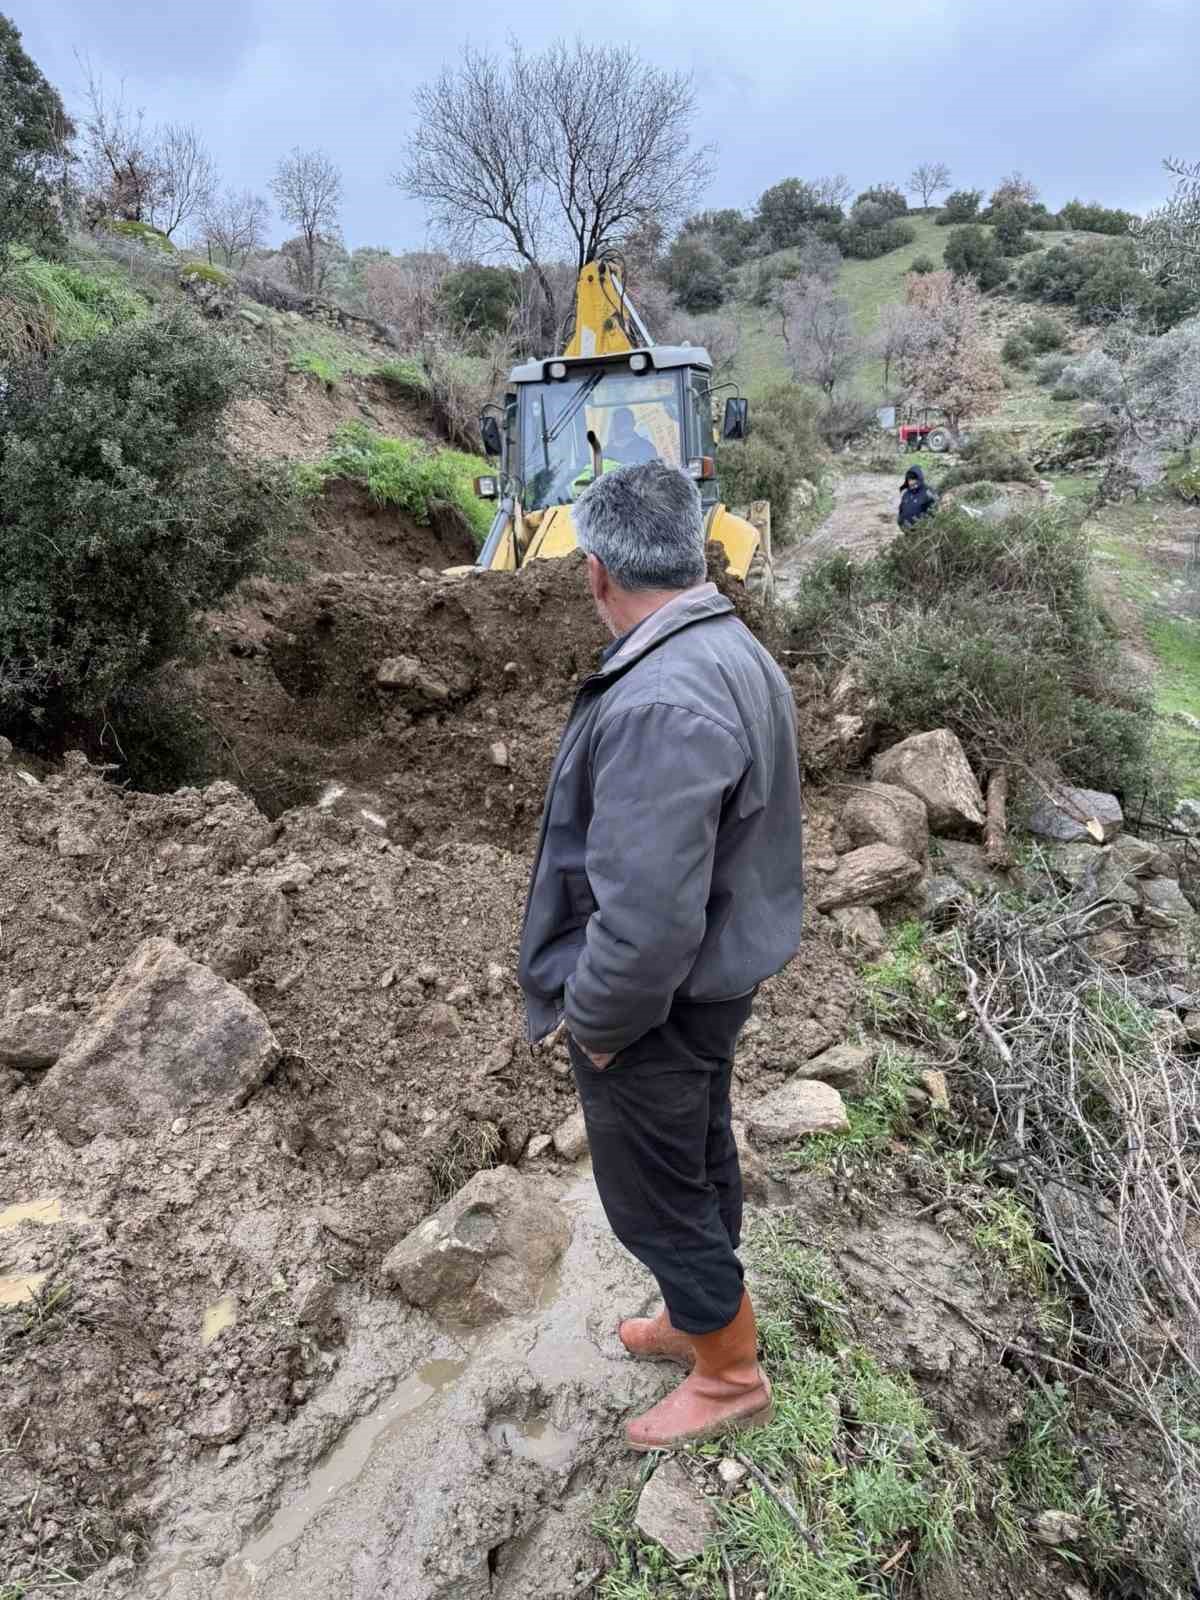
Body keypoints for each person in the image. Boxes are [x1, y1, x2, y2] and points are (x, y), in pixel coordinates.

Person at [518, 460, 805, 1451]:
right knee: (696, 1149)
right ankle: (698, 1317)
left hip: (660, 1002)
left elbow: (645, 919)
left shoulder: (659, 699)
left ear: (596, 571)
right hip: (714, 980)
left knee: (654, 1187)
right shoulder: (729, 646)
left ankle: (729, 1373)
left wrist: (597, 1024)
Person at [898, 463, 937, 528]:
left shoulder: (928, 492)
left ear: (919, 478)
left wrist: (926, 525)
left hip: (922, 531)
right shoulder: (906, 494)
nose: (911, 482)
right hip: (907, 530)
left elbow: (936, 510)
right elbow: (901, 509)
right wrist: (900, 520)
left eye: (913, 479)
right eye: (909, 479)